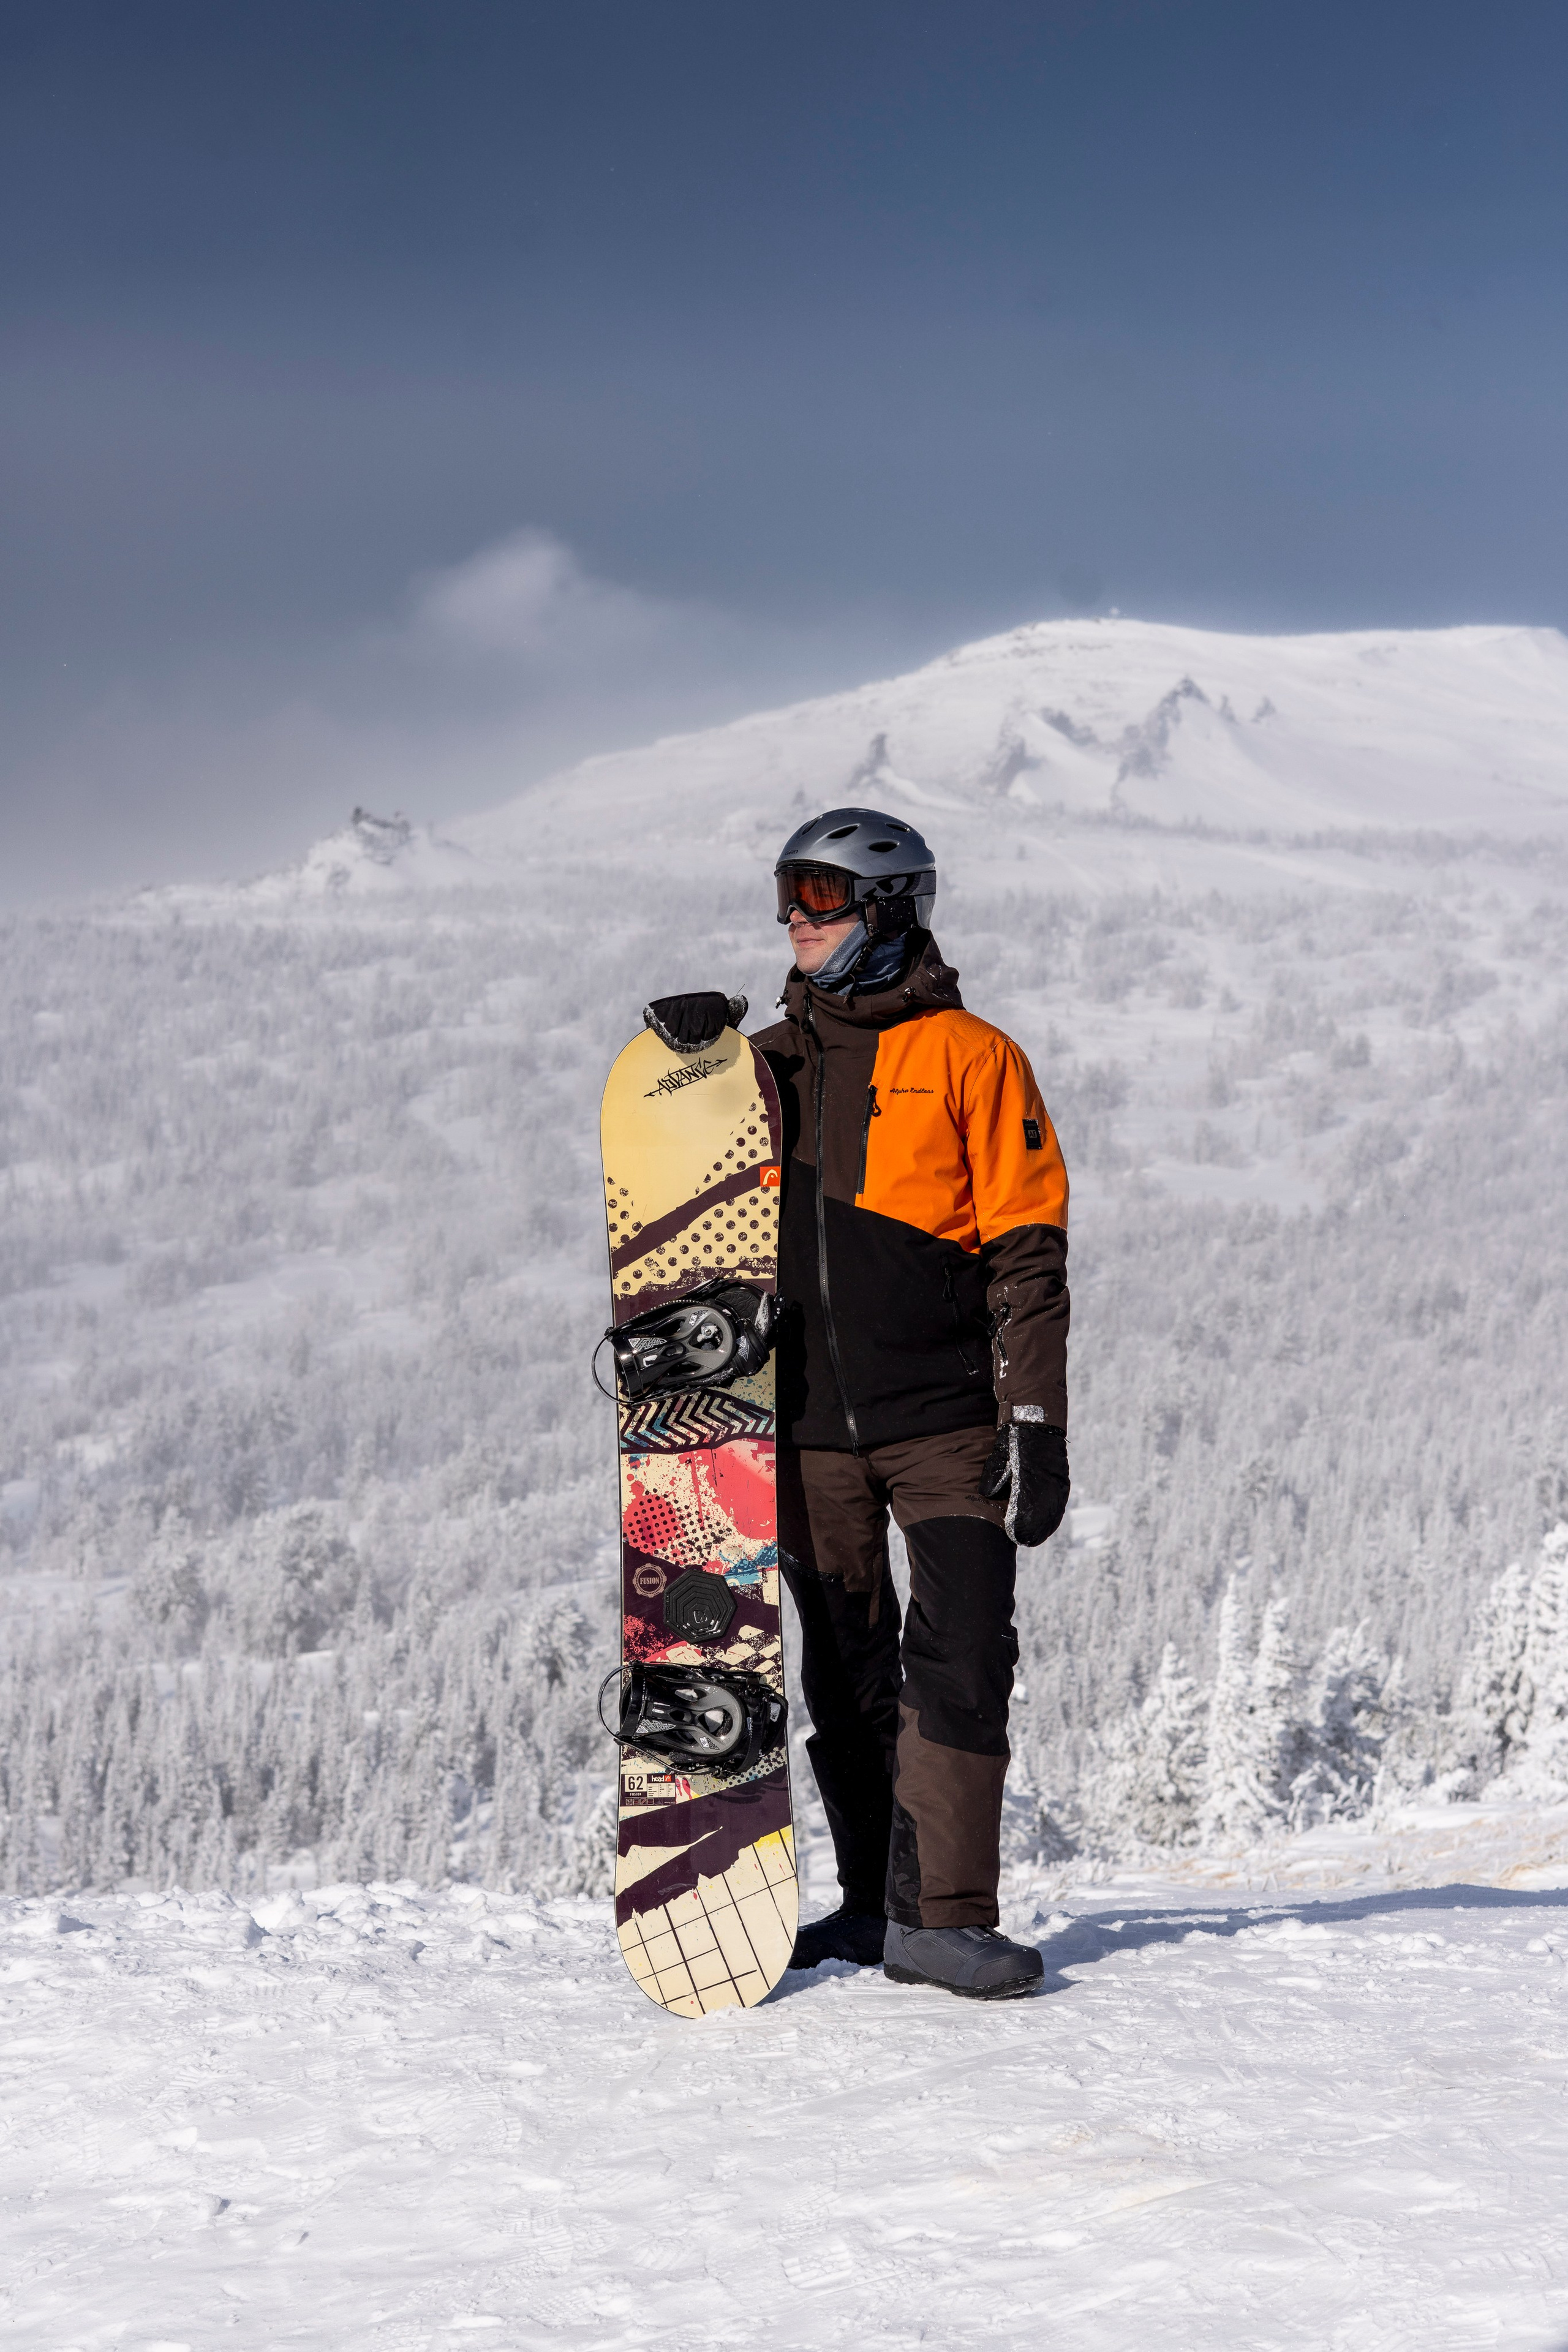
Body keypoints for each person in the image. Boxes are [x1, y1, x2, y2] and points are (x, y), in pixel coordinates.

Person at [650, 807, 1070, 1999]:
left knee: (961, 1657)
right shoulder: (767, 1069)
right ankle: (872, 1908)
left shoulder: (974, 1059)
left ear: (887, 911)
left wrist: (1032, 1419)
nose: (792, 917)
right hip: (803, 1436)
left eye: (819, 897)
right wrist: (688, 1062)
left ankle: (946, 1917)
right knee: (844, 1671)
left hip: (945, 1425)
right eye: (785, 894)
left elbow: (1028, 1257)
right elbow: (674, 1193)